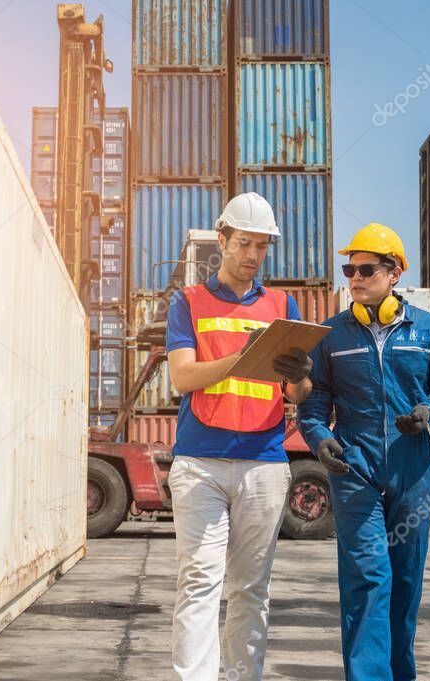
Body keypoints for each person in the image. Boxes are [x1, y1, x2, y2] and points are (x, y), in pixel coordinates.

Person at [297, 223, 430, 681]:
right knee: (367, 578)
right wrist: (319, 438)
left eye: (365, 268)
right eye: (348, 268)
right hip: (355, 468)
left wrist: (429, 413)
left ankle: (400, 673)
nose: (353, 277)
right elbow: (313, 404)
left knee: (405, 580)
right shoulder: (330, 335)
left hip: (412, 469)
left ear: (394, 273)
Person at [165, 192, 313, 681]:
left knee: (251, 588)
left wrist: (299, 373)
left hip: (264, 462)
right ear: (222, 238)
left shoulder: (282, 305)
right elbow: (182, 379)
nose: (252, 255)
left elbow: (297, 392)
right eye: (243, 243)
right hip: (201, 463)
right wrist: (247, 354)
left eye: (261, 247)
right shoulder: (187, 303)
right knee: (200, 582)